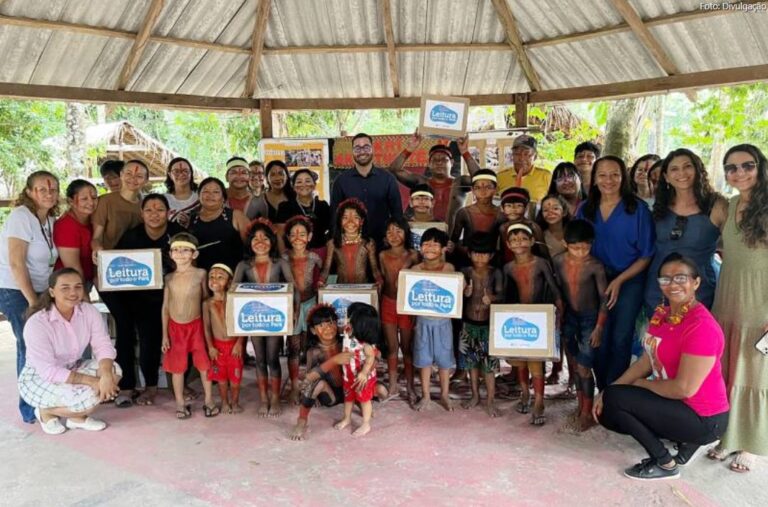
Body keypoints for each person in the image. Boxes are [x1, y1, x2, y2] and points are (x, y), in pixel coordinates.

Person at [594, 254, 729, 481]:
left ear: (696, 282)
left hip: (704, 418)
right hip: (679, 405)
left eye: (680, 278)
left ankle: (665, 463)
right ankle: (685, 445)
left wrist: (637, 386)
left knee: (618, 401)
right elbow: (647, 361)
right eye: (665, 279)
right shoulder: (663, 314)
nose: (672, 284)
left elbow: (683, 389)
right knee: (610, 403)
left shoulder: (701, 326)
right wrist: (608, 390)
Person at [708, 144, 768, 473]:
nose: (739, 173)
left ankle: (752, 444)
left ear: (760, 167)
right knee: (728, 369)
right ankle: (729, 436)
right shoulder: (728, 207)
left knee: (755, 374)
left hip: (761, 304)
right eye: (731, 167)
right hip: (728, 299)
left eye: (747, 165)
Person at [577, 156, 655, 390]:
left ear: (624, 177)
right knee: (598, 337)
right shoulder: (585, 209)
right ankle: (603, 390)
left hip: (629, 279)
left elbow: (646, 254)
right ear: (594, 178)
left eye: (615, 175)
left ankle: (615, 393)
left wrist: (620, 280)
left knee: (621, 337)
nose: (608, 180)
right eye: (602, 175)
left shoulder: (637, 209)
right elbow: (576, 247)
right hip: (594, 282)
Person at [18, 268, 122, 434]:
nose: (73, 293)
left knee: (114, 371)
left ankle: (76, 419)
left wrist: (107, 375)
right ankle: (46, 412)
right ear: (52, 292)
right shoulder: (37, 323)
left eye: (78, 287)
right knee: (89, 398)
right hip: (39, 377)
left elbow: (103, 344)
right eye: (65, 288)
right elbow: (48, 371)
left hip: (72, 366)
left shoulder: (88, 311)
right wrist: (95, 382)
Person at [113, 194, 185, 406]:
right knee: (148, 341)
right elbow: (116, 267)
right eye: (149, 210)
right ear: (141, 213)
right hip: (141, 299)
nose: (154, 214)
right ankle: (150, 387)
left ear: (168, 212)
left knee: (182, 339)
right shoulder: (131, 237)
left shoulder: (178, 234)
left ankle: (181, 385)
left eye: (160, 210)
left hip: (175, 296)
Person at [0, 170, 60, 423]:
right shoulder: (21, 217)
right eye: (42, 189)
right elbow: (16, 264)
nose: (49, 194)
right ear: (29, 192)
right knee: (30, 346)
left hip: (40, 289)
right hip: (16, 290)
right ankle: (30, 409)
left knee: (45, 345)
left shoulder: (48, 219)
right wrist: (34, 302)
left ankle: (45, 399)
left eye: (53, 189)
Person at [645, 149, 727, 312]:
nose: (681, 172)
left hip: (699, 290)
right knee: (659, 336)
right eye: (674, 169)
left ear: (698, 170)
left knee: (694, 335)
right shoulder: (659, 206)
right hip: (658, 288)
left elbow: (734, 247)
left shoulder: (717, 205)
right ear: (666, 177)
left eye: (687, 166)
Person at [503, 224, 564, 425]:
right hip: (518, 318)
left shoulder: (541, 263)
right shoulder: (508, 268)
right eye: (514, 240)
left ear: (531, 241)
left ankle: (539, 401)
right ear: (508, 244)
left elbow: (554, 288)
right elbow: (505, 296)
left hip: (539, 316)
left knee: (536, 363)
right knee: (520, 360)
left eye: (523, 238)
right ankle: (524, 393)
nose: (519, 242)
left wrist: (558, 309)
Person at [553, 220, 608, 432]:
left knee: (585, 366)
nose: (581, 252)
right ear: (565, 244)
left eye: (586, 247)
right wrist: (559, 310)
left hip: (590, 319)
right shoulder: (557, 261)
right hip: (569, 316)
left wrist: (599, 327)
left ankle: (587, 412)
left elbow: (605, 299)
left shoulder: (595, 266)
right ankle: (579, 406)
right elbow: (556, 287)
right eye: (576, 248)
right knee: (575, 363)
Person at [233, 220, 290, 417]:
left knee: (273, 359)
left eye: (265, 238)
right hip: (254, 321)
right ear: (249, 242)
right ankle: (263, 398)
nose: (260, 242)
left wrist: (294, 312)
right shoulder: (243, 265)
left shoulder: (280, 263)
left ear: (272, 241)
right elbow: (234, 291)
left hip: (275, 320)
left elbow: (292, 288)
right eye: (256, 238)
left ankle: (275, 397)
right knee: (259, 359)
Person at [161, 233, 218, 419]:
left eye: (185, 250)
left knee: (204, 365)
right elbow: (165, 307)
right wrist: (164, 335)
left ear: (194, 254)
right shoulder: (169, 278)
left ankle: (209, 400)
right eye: (176, 250)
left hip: (197, 326)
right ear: (170, 254)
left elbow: (206, 300)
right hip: (175, 329)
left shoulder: (201, 274)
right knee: (177, 368)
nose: (180, 253)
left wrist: (210, 328)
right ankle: (180, 403)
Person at [386, 133, 479, 227]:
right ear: (429, 164)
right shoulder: (421, 182)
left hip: (453, 236)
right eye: (435, 160)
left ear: (451, 163)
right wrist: (409, 149)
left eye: (444, 159)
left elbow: (481, 178)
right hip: (425, 234)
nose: (439, 162)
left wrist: (465, 152)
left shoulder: (459, 183)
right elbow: (394, 170)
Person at [330, 133, 403, 247]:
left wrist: (393, 239)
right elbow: (335, 215)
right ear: (352, 151)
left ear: (372, 149)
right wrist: (337, 241)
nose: (362, 151)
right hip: (351, 244)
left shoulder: (388, 179)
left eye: (366, 147)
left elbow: (397, 214)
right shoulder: (341, 181)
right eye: (357, 148)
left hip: (382, 244)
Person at [459, 232, 503, 417]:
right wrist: (464, 293)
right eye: (476, 253)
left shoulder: (496, 273)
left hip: (488, 326)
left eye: (484, 253)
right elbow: (452, 297)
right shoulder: (465, 272)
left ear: (491, 255)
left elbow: (503, 296)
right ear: (469, 254)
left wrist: (491, 298)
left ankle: (491, 400)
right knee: (471, 364)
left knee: (489, 367)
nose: (480, 257)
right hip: (468, 325)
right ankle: (475, 395)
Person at [412, 228, 456, 412]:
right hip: (422, 322)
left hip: (443, 322)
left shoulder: (448, 268)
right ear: (420, 248)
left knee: (444, 361)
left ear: (444, 249)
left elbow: (453, 290)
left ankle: (444, 394)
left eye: (435, 244)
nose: (429, 247)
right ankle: (426, 395)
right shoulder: (415, 270)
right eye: (426, 243)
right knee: (424, 360)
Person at [290, 304, 348, 441]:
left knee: (382, 390)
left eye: (331, 323)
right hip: (331, 396)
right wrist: (334, 360)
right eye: (322, 325)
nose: (328, 328)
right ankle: (302, 421)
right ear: (313, 330)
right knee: (316, 383)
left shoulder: (345, 343)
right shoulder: (314, 351)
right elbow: (310, 376)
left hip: (350, 393)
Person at [282, 216, 323, 404]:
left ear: (310, 236)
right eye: (293, 234)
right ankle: (294, 386)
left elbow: (324, 274)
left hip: (310, 304)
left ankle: (308, 384)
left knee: (309, 347)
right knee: (293, 347)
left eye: (302, 234)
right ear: (288, 237)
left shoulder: (314, 257)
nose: (298, 237)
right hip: (291, 306)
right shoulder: (283, 258)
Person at [378, 217, 419, 401]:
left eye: (398, 231)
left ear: (406, 233)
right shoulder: (382, 255)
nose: (394, 235)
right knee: (392, 347)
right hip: (388, 303)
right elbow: (383, 280)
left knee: (407, 347)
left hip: (406, 306)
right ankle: (393, 384)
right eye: (389, 231)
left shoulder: (413, 255)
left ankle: (410, 385)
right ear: (385, 236)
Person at [333, 302, 381, 437]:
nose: (347, 320)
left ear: (361, 325)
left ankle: (366, 423)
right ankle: (347, 418)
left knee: (364, 400)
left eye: (350, 318)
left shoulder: (366, 345)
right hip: (348, 375)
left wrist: (364, 373)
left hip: (362, 378)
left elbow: (370, 359)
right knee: (348, 398)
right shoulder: (349, 331)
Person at [203, 263, 244, 414]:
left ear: (229, 281)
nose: (215, 280)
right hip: (217, 347)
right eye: (212, 277)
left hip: (234, 346)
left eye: (220, 277)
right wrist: (210, 347)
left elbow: (243, 323)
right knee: (221, 379)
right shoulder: (207, 303)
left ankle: (235, 402)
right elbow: (206, 327)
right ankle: (225, 402)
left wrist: (239, 343)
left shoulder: (234, 300)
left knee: (235, 378)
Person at [188, 177, 249, 272]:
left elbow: (251, 245)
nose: (210, 195)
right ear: (199, 195)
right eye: (205, 191)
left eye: (216, 192)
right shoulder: (190, 219)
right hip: (202, 277)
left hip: (234, 275)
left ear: (223, 197)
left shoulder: (236, 216)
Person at [320, 198, 383, 286]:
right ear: (340, 221)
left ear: (362, 221)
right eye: (345, 217)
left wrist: (379, 281)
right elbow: (326, 269)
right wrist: (321, 281)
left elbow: (375, 269)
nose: (350, 222)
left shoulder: (368, 243)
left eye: (355, 217)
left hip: (362, 290)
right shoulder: (333, 243)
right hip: (341, 290)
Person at [275, 168, 331, 261]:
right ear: (293, 186)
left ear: (314, 185)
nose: (303, 185)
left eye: (308, 181)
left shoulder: (323, 206)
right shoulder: (285, 207)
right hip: (293, 256)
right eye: (299, 182)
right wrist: (284, 258)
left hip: (320, 253)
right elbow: (280, 236)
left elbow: (331, 232)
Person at [450, 169, 505, 261]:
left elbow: (503, 244)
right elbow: (454, 241)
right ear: (472, 190)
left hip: (492, 259)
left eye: (488, 187)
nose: (483, 191)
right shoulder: (464, 213)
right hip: (466, 257)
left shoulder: (501, 215)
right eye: (478, 187)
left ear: (496, 189)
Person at [53, 179, 97, 285]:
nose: (91, 202)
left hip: (87, 280)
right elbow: (73, 268)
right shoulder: (66, 226)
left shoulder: (94, 219)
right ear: (70, 201)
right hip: (70, 284)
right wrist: (84, 296)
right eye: (84, 199)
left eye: (94, 197)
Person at [496, 135, 552, 203]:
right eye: (517, 154)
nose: (521, 158)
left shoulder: (546, 177)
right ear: (512, 156)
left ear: (535, 156)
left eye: (526, 154)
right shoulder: (500, 177)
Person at [497, 187, 545, 264]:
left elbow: (543, 252)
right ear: (502, 208)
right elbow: (503, 252)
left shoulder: (533, 227)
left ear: (526, 208)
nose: (513, 209)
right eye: (508, 206)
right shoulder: (503, 228)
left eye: (518, 205)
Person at [164, 156, 199, 228]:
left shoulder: (200, 198)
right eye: (176, 171)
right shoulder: (163, 199)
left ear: (191, 173)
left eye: (185, 171)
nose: (181, 174)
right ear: (170, 175)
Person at [536, 193, 571, 259]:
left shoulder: (572, 233)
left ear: (564, 212)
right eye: (545, 210)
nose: (550, 212)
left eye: (555, 208)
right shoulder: (540, 236)